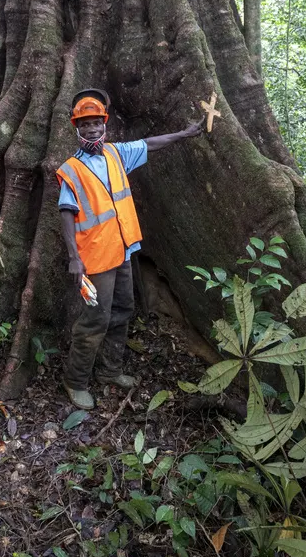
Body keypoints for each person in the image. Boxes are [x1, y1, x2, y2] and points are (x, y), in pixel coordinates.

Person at [56, 88, 205, 410]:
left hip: (122, 250)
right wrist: (73, 258)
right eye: (85, 124)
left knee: (123, 309)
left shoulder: (116, 153)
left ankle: (110, 370)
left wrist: (184, 134)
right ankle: (75, 381)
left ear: (105, 124)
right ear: (77, 129)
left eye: (96, 123)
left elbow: (149, 144)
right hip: (95, 258)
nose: (92, 129)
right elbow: (66, 212)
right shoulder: (71, 169)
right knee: (95, 319)